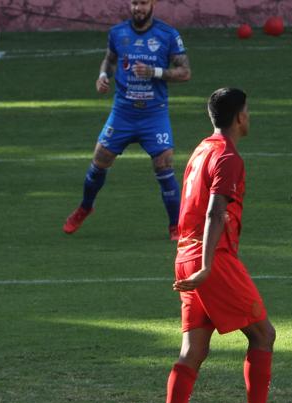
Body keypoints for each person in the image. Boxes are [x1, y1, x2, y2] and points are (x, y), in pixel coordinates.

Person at [152, 87, 292, 403]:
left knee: (194, 349)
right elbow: (216, 211)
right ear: (238, 117)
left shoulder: (201, 150)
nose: (250, 116)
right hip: (211, 258)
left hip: (185, 253)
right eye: (247, 110)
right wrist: (207, 266)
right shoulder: (229, 157)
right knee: (263, 334)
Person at [61, 0, 191, 239]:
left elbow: (185, 72)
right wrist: (102, 76)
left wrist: (155, 72)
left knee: (164, 164)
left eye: (142, 3)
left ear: (152, 4)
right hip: (123, 112)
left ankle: (176, 226)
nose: (137, 8)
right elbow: (110, 60)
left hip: (154, 114)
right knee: (99, 159)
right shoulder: (117, 32)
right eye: (134, 3)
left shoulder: (167, 34)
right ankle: (85, 207)